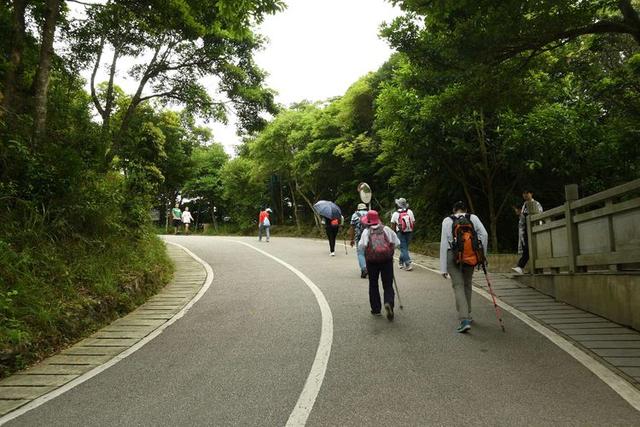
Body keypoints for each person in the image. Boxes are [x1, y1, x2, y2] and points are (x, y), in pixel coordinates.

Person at [439, 201, 488, 333]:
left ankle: (464, 318)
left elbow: (444, 243)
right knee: (467, 284)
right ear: (466, 209)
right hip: (470, 254)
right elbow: (484, 235)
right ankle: (468, 313)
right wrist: (481, 256)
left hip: (452, 255)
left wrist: (443, 267)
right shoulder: (473, 218)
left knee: (458, 285)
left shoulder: (447, 221)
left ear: (454, 210)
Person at [358, 210, 401, 321]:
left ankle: (376, 309)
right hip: (386, 260)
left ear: (368, 221)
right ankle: (389, 302)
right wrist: (388, 251)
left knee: (373, 284)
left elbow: (361, 247)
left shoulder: (366, 232)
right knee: (387, 285)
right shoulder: (386, 229)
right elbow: (397, 243)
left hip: (372, 262)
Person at [512, 190, 543, 274]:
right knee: (528, 249)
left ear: (531, 194)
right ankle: (523, 267)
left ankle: (521, 266)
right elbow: (522, 219)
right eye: (523, 193)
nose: (525, 195)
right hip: (526, 229)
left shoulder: (536, 204)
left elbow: (540, 215)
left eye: (527, 193)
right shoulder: (524, 205)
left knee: (529, 249)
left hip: (534, 228)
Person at [390, 197, 416, 271]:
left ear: (398, 205)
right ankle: (401, 262)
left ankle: (407, 263)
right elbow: (413, 222)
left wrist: (393, 234)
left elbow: (393, 225)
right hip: (409, 232)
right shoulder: (410, 211)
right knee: (405, 248)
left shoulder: (395, 214)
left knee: (403, 248)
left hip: (400, 233)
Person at [349, 203, 369, 278]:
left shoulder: (355, 215)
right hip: (369, 236)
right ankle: (369, 268)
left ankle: (364, 269)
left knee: (361, 253)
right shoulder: (369, 214)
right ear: (365, 208)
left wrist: (351, 239)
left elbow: (352, 228)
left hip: (359, 237)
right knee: (368, 253)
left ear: (358, 209)